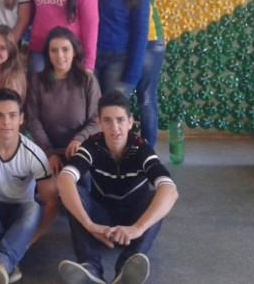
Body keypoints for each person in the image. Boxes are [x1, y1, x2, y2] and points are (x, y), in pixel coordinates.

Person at [57, 91, 178, 284]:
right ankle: (90, 268)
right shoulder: (92, 145)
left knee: (158, 196)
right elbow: (64, 179)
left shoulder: (141, 149)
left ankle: (127, 268)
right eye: (108, 121)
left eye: (120, 120)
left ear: (130, 122)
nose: (115, 128)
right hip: (100, 221)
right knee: (75, 192)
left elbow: (170, 190)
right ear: (99, 123)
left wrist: (137, 228)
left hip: (133, 223)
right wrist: (89, 225)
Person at [0, 89, 57, 284]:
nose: (6, 122)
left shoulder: (34, 154)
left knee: (33, 206)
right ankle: (7, 256)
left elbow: (51, 203)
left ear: (21, 118)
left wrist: (27, 243)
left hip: (19, 216)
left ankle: (2, 260)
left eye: (12, 115)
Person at [120, 0, 193, 147]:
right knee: (118, 97)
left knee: (146, 100)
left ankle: (148, 153)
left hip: (151, 41)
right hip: (121, 42)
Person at [25, 27, 101, 177]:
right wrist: (49, 153)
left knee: (82, 187)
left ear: (74, 51)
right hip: (48, 152)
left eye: (65, 49)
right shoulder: (37, 81)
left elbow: (97, 120)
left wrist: (79, 139)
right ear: (47, 53)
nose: (60, 56)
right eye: (54, 50)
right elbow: (33, 121)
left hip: (82, 149)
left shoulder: (87, 80)